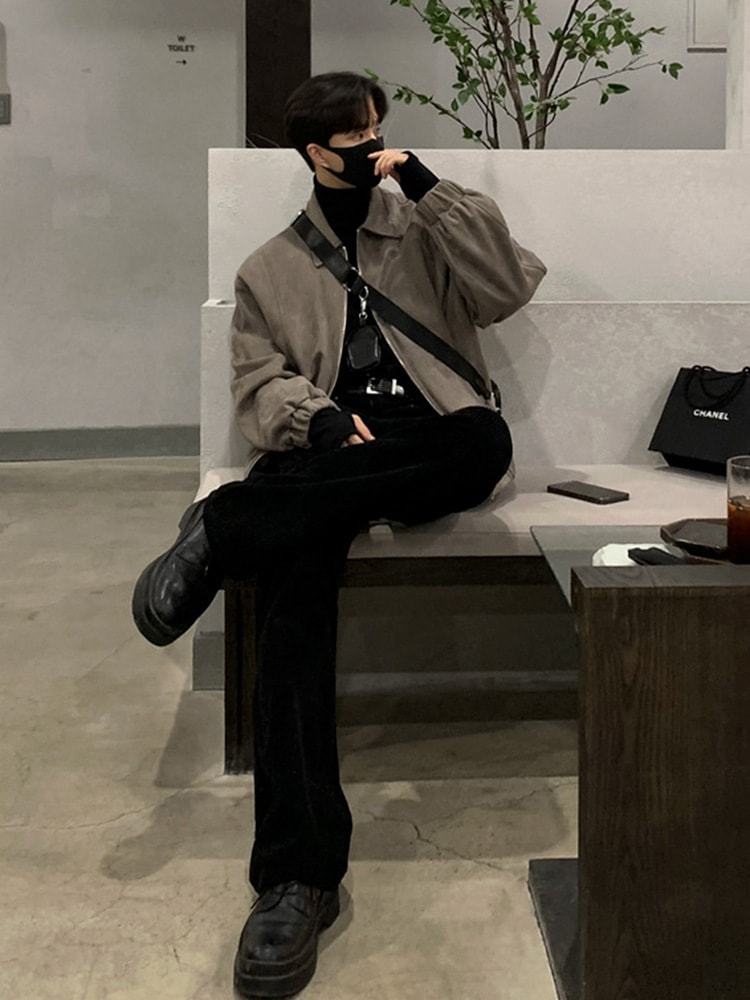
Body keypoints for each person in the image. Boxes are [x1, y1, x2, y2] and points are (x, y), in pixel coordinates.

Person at [132, 71, 546, 999]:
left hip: (428, 441)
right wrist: (314, 419)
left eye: (378, 130)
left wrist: (430, 189)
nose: (374, 147)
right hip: (325, 458)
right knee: (291, 591)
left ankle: (224, 527)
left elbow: (509, 286)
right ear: (316, 154)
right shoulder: (269, 268)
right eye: (355, 138)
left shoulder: (425, 227)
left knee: (483, 440)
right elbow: (256, 379)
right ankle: (297, 876)